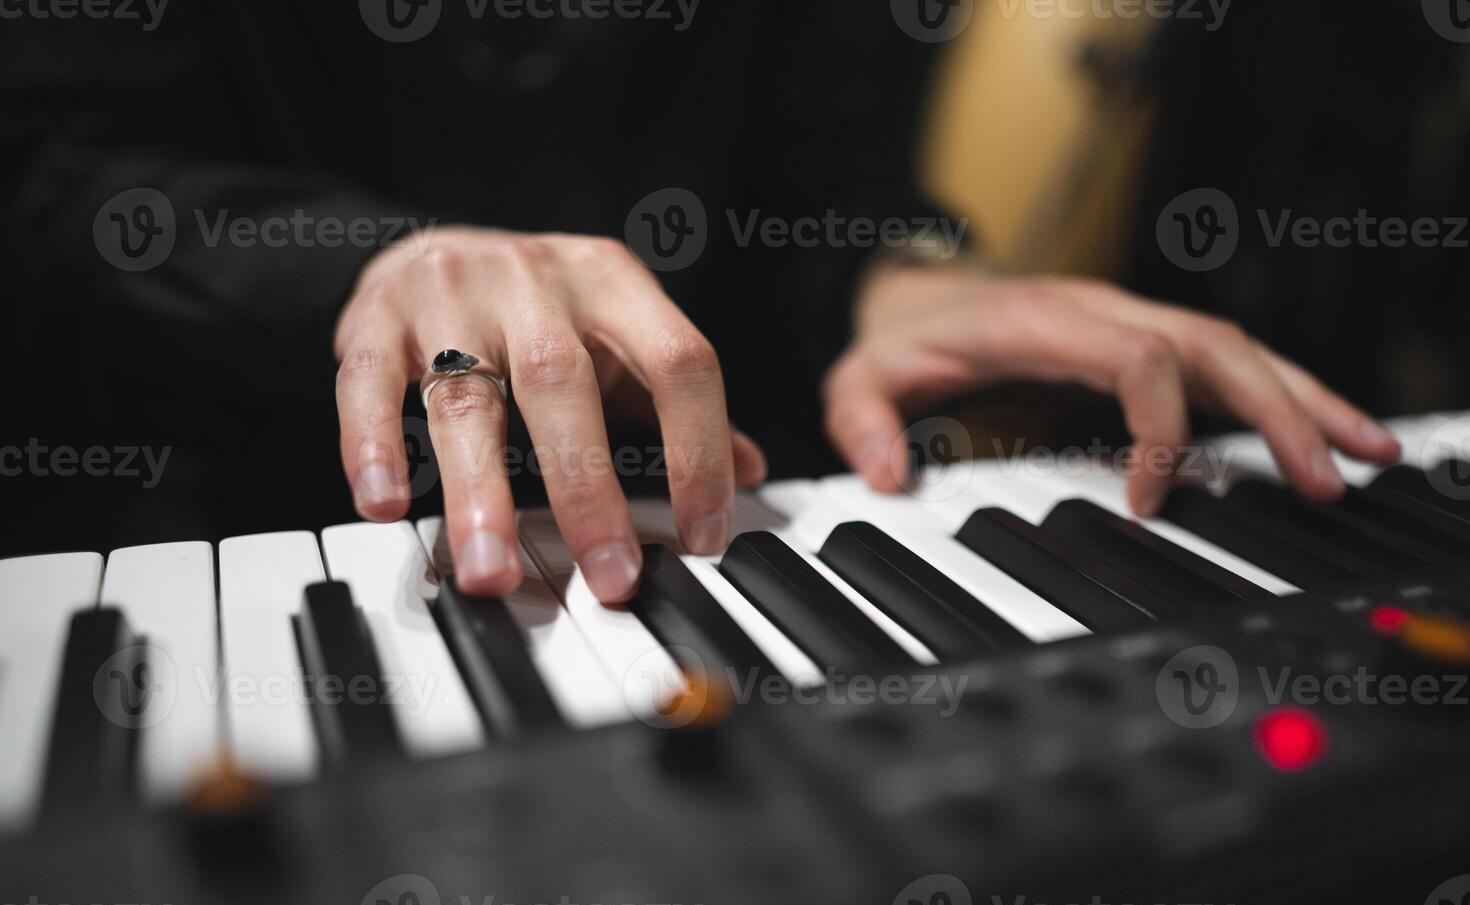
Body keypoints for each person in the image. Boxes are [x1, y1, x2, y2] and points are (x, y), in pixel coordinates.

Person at [0, 1, 1399, 597]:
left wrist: (902, 287)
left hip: (729, 536)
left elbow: (827, 177)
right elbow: (45, 186)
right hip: (259, 529)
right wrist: (349, 264)